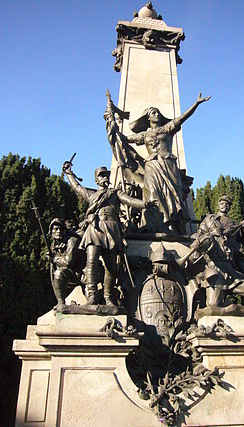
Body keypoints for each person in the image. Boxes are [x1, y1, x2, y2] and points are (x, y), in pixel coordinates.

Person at [63, 162, 155, 309]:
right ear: (96, 180)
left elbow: (129, 200)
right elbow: (77, 188)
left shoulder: (115, 193)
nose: (105, 178)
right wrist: (68, 174)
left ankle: (108, 296)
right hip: (95, 229)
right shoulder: (92, 194)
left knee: (111, 267)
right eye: (101, 176)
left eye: (106, 175)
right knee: (91, 262)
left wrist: (144, 204)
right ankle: (92, 295)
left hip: (111, 230)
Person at [126, 93, 211, 234]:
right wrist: (111, 125)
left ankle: (173, 226)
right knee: (152, 194)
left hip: (168, 166)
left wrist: (195, 104)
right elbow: (123, 139)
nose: (157, 115)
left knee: (173, 196)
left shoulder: (168, 128)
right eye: (154, 113)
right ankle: (154, 224)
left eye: (158, 113)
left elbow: (182, 118)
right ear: (148, 117)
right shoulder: (144, 135)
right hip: (152, 167)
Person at [48, 218, 84, 308]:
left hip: (82, 274)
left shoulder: (72, 241)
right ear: (51, 231)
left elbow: (68, 262)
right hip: (70, 274)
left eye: (61, 229)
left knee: (59, 273)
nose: (58, 231)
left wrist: (54, 259)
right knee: (56, 274)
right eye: (55, 229)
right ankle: (61, 303)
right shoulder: (54, 245)